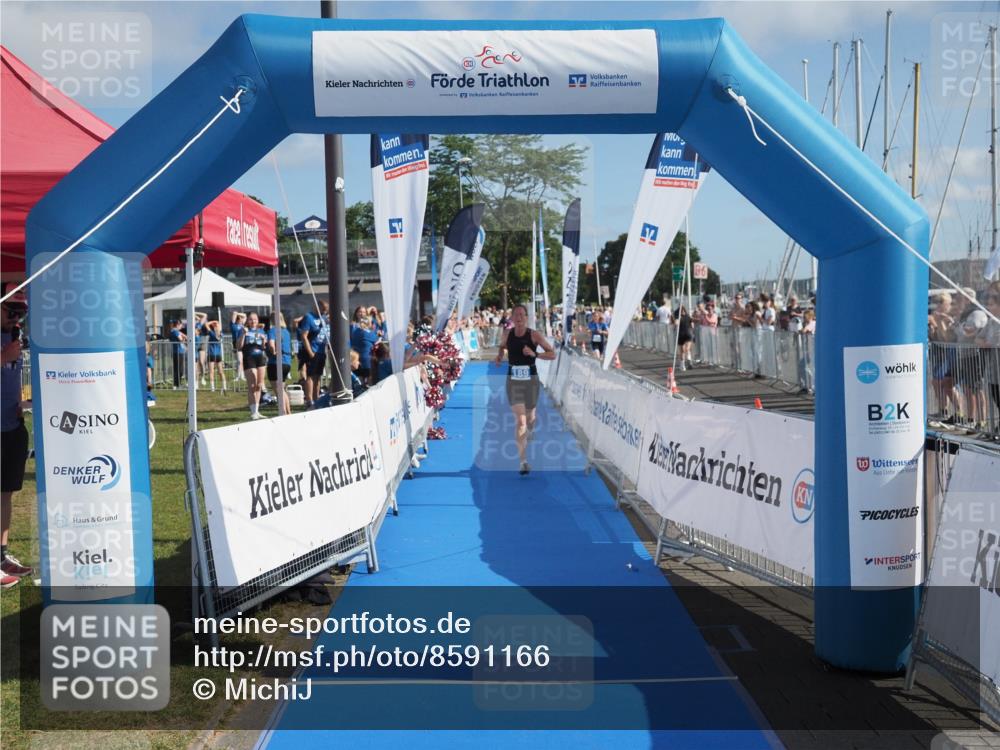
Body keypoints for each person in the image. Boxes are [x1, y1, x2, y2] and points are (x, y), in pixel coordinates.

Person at [494, 304, 556, 476]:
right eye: (516, 315)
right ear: (512, 318)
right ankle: (523, 462)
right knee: (521, 421)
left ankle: (530, 430)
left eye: (522, 314)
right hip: (513, 381)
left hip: (531, 381)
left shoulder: (534, 335)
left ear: (527, 317)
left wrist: (535, 354)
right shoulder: (507, 334)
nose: (519, 317)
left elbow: (552, 354)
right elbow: (502, 346)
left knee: (530, 418)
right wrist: (499, 356)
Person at [1, 285, 33, 588]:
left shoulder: (14, 337)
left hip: (12, 426)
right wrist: (3, 357)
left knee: (6, 494)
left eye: (21, 313)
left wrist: (21, 403)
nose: (16, 319)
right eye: (11, 312)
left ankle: (1, 556)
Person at [298, 301, 330, 409]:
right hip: (312, 350)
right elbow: (304, 336)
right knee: (310, 376)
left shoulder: (324, 318)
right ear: (317, 307)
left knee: (318, 376)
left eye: (326, 309)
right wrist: (310, 352)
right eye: (323, 309)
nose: (324, 311)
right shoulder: (309, 317)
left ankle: (317, 399)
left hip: (321, 351)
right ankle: (309, 400)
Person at [238, 312, 268, 419]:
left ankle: (257, 411)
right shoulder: (243, 330)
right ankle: (253, 412)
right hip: (249, 358)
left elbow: (264, 347)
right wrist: (243, 334)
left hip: (260, 358)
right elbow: (239, 347)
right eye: (251, 319)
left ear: (258, 320)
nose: (253, 321)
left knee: (259, 385)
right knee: (252, 385)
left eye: (255, 319)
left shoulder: (261, 331)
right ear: (248, 321)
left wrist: (264, 340)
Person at [267, 312, 292, 415]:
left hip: (276, 362)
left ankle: (283, 412)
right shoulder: (286, 331)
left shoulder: (273, 330)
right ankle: (288, 412)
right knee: (282, 389)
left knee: (278, 390)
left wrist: (273, 351)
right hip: (287, 362)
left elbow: (271, 344)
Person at [350, 315, 379, 383]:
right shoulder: (370, 333)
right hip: (367, 361)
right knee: (368, 382)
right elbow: (377, 341)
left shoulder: (355, 332)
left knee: (359, 381)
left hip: (356, 360)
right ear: (370, 323)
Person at [205, 319, 226, 393]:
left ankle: (212, 388)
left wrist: (213, 321)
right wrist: (217, 323)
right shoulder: (221, 334)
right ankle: (224, 386)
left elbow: (206, 324)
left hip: (211, 353)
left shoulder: (212, 334)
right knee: (221, 371)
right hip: (218, 354)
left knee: (211, 372)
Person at [168, 319, 187, 388]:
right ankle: (177, 384)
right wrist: (184, 339)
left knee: (177, 369)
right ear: (178, 325)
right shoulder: (175, 332)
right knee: (179, 369)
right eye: (181, 325)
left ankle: (176, 384)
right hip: (178, 352)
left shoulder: (174, 331)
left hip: (176, 352)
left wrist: (183, 335)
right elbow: (181, 340)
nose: (181, 326)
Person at [675, 305, 694, 370]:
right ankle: (687, 360)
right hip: (687, 333)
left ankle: (684, 364)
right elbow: (692, 325)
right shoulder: (687, 316)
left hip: (683, 334)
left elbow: (676, 323)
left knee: (683, 350)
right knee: (686, 349)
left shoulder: (680, 317)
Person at [230, 311, 247, 381]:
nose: (241, 319)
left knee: (241, 361)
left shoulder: (242, 325)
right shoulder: (233, 325)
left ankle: (241, 376)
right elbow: (234, 313)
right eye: (240, 318)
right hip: (236, 343)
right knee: (239, 360)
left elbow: (245, 315)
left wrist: (240, 316)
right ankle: (238, 376)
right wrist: (238, 315)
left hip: (243, 342)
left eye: (241, 318)